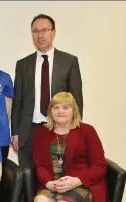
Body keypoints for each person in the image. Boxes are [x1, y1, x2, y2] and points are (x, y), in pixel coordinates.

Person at [11, 14, 83, 167]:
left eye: (44, 30)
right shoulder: (23, 64)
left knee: (57, 176)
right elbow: (18, 101)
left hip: (59, 129)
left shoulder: (69, 62)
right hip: (28, 132)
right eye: (35, 31)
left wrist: (75, 131)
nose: (40, 35)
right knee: (28, 180)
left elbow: (76, 100)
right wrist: (15, 132)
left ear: (54, 32)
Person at [33, 92, 107, 202]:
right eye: (56, 107)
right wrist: (48, 183)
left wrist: (77, 180)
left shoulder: (87, 131)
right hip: (53, 185)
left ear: (74, 111)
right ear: (50, 111)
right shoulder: (41, 133)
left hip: (81, 184)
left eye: (65, 107)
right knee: (40, 201)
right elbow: (39, 165)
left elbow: (99, 166)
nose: (60, 111)